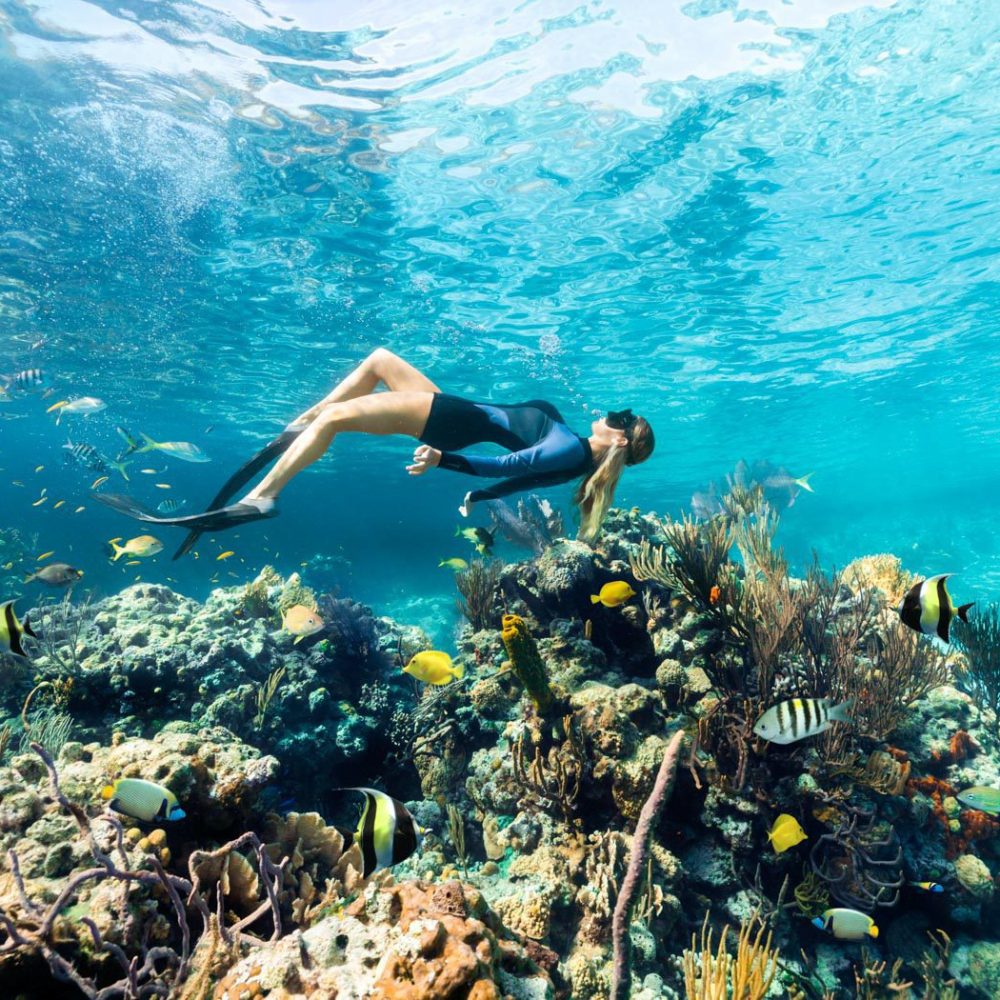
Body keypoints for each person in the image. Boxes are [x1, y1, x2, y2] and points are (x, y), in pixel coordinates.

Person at [95, 348, 655, 558]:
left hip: (448, 421)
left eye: (622, 419)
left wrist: (447, 462)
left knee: (338, 418)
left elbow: (506, 465)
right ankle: (301, 426)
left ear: (622, 439)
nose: (612, 413)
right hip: (452, 411)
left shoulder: (569, 446)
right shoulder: (576, 459)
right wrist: (478, 494)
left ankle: (265, 496)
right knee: (381, 361)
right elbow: (517, 481)